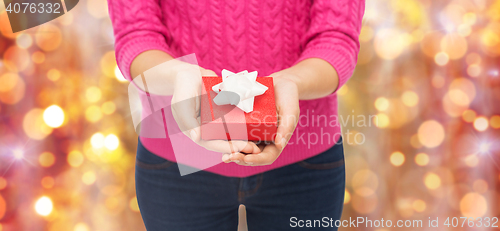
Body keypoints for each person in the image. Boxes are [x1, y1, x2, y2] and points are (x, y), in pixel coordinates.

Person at [108, 0, 364, 230]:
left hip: (304, 158)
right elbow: (136, 35)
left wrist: (293, 82)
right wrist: (180, 76)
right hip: (173, 154)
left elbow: (336, 38)